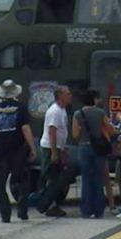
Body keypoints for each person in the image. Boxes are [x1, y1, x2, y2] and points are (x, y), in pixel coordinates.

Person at [0, 80, 37, 224]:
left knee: (0, 185)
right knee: (23, 181)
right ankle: (22, 210)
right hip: (18, 150)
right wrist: (32, 148)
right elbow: (26, 129)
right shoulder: (21, 108)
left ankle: (5, 215)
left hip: (0, 151)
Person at [70, 89, 115, 219]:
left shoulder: (78, 114)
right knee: (98, 179)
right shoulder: (100, 113)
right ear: (94, 99)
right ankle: (98, 210)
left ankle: (86, 210)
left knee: (86, 179)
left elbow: (75, 135)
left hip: (84, 148)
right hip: (98, 149)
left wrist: (81, 130)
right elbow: (111, 130)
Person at [31, 86, 74, 217]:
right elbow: (52, 132)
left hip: (56, 148)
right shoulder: (55, 111)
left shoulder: (62, 110)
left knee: (57, 178)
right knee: (51, 177)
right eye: (68, 93)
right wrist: (55, 152)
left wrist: (62, 149)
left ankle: (53, 204)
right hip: (50, 148)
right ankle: (46, 204)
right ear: (60, 96)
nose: (70, 95)